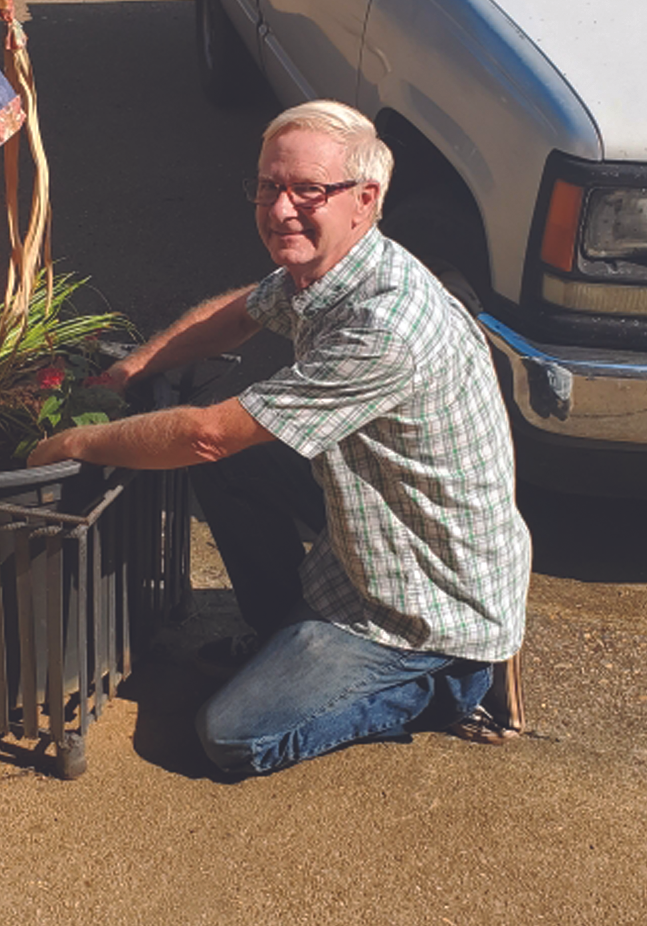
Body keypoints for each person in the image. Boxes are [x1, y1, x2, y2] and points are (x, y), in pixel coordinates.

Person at [28, 100, 531, 775]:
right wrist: (133, 368)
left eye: (308, 191)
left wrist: (75, 444)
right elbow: (240, 313)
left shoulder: (384, 326)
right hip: (382, 528)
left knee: (233, 735)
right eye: (269, 186)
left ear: (365, 199)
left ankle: (444, 688)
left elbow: (208, 435)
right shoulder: (328, 270)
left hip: (426, 609)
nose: (281, 208)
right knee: (231, 461)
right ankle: (281, 632)